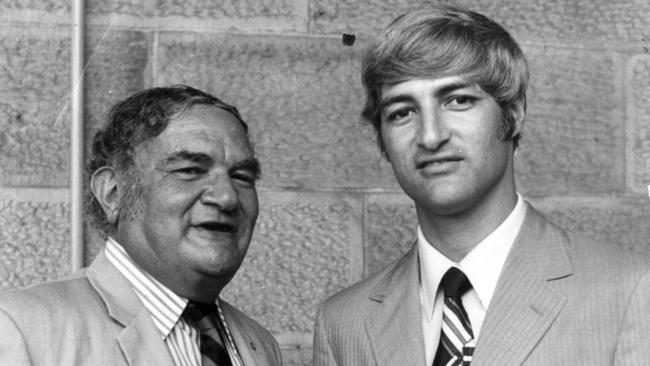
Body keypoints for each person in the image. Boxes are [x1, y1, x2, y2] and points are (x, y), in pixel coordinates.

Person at [313, 5, 650, 366]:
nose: (430, 136)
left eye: (458, 100)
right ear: (382, 137)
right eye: (402, 112)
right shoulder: (342, 325)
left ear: (514, 113)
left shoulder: (630, 291)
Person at [0, 85, 282, 366]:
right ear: (113, 193)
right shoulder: (17, 328)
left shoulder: (260, 345)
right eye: (189, 171)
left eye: (243, 176)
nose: (227, 197)